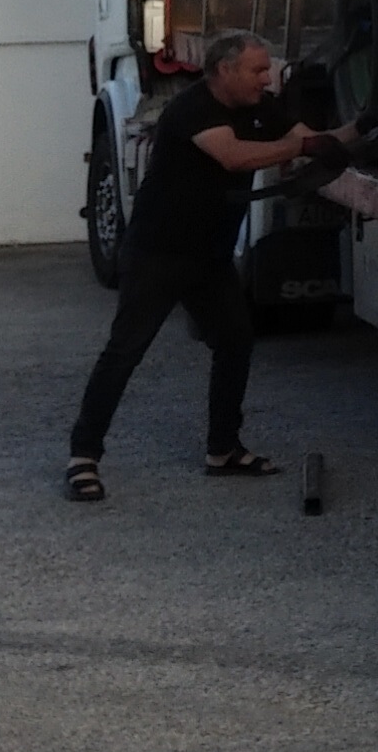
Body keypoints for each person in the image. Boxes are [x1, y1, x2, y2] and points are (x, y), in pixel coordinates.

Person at [65, 33, 352, 500]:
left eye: (267, 69)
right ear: (224, 71)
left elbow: (313, 140)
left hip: (208, 256)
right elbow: (235, 156)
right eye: (257, 70)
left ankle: (223, 450)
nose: (267, 77)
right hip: (159, 252)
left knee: (235, 341)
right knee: (125, 351)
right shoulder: (192, 110)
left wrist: (365, 127)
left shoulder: (262, 108)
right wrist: (305, 149)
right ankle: (82, 458)